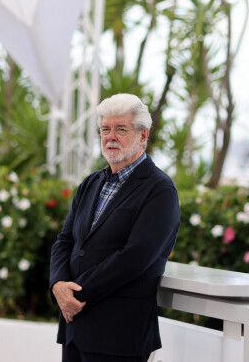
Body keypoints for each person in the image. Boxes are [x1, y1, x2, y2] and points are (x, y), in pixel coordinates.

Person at [49, 93, 180, 362]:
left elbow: (136, 257)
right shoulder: (90, 183)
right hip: (75, 329)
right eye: (105, 129)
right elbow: (65, 241)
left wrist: (76, 295)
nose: (111, 137)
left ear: (143, 136)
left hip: (120, 336)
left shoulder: (160, 190)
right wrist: (58, 285)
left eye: (121, 129)